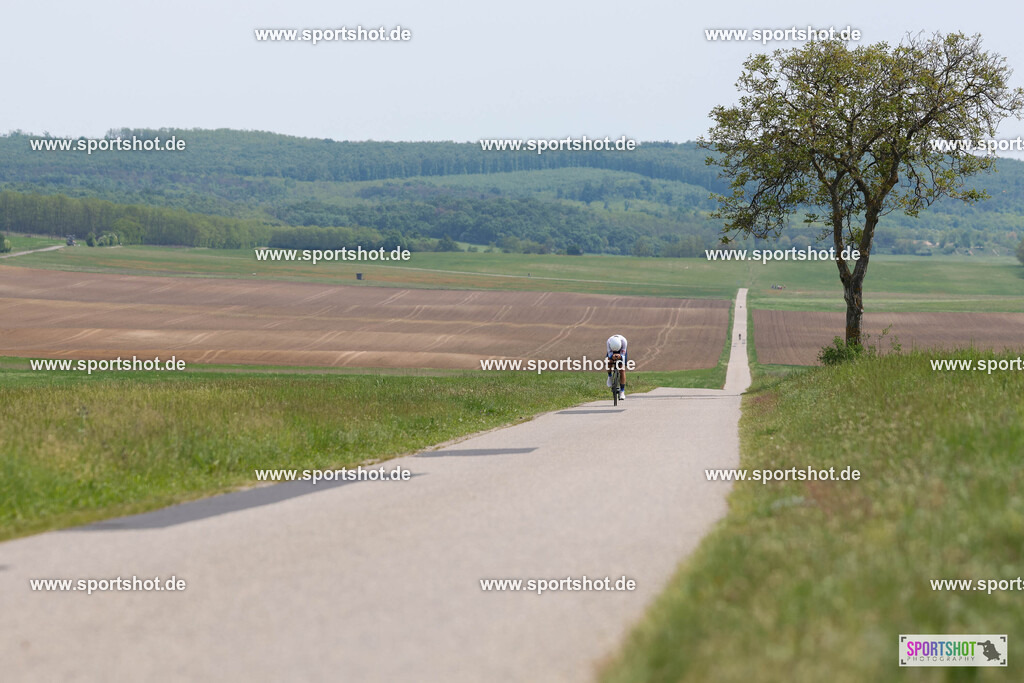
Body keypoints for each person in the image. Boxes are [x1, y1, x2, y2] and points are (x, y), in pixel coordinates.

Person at [606, 334, 628, 400]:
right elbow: (609, 353)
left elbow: (623, 354)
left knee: (622, 369)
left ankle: (622, 391)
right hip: (611, 351)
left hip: (621, 351)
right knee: (609, 362)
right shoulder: (608, 341)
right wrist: (611, 356)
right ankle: (610, 376)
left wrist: (620, 356)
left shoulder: (624, 341)